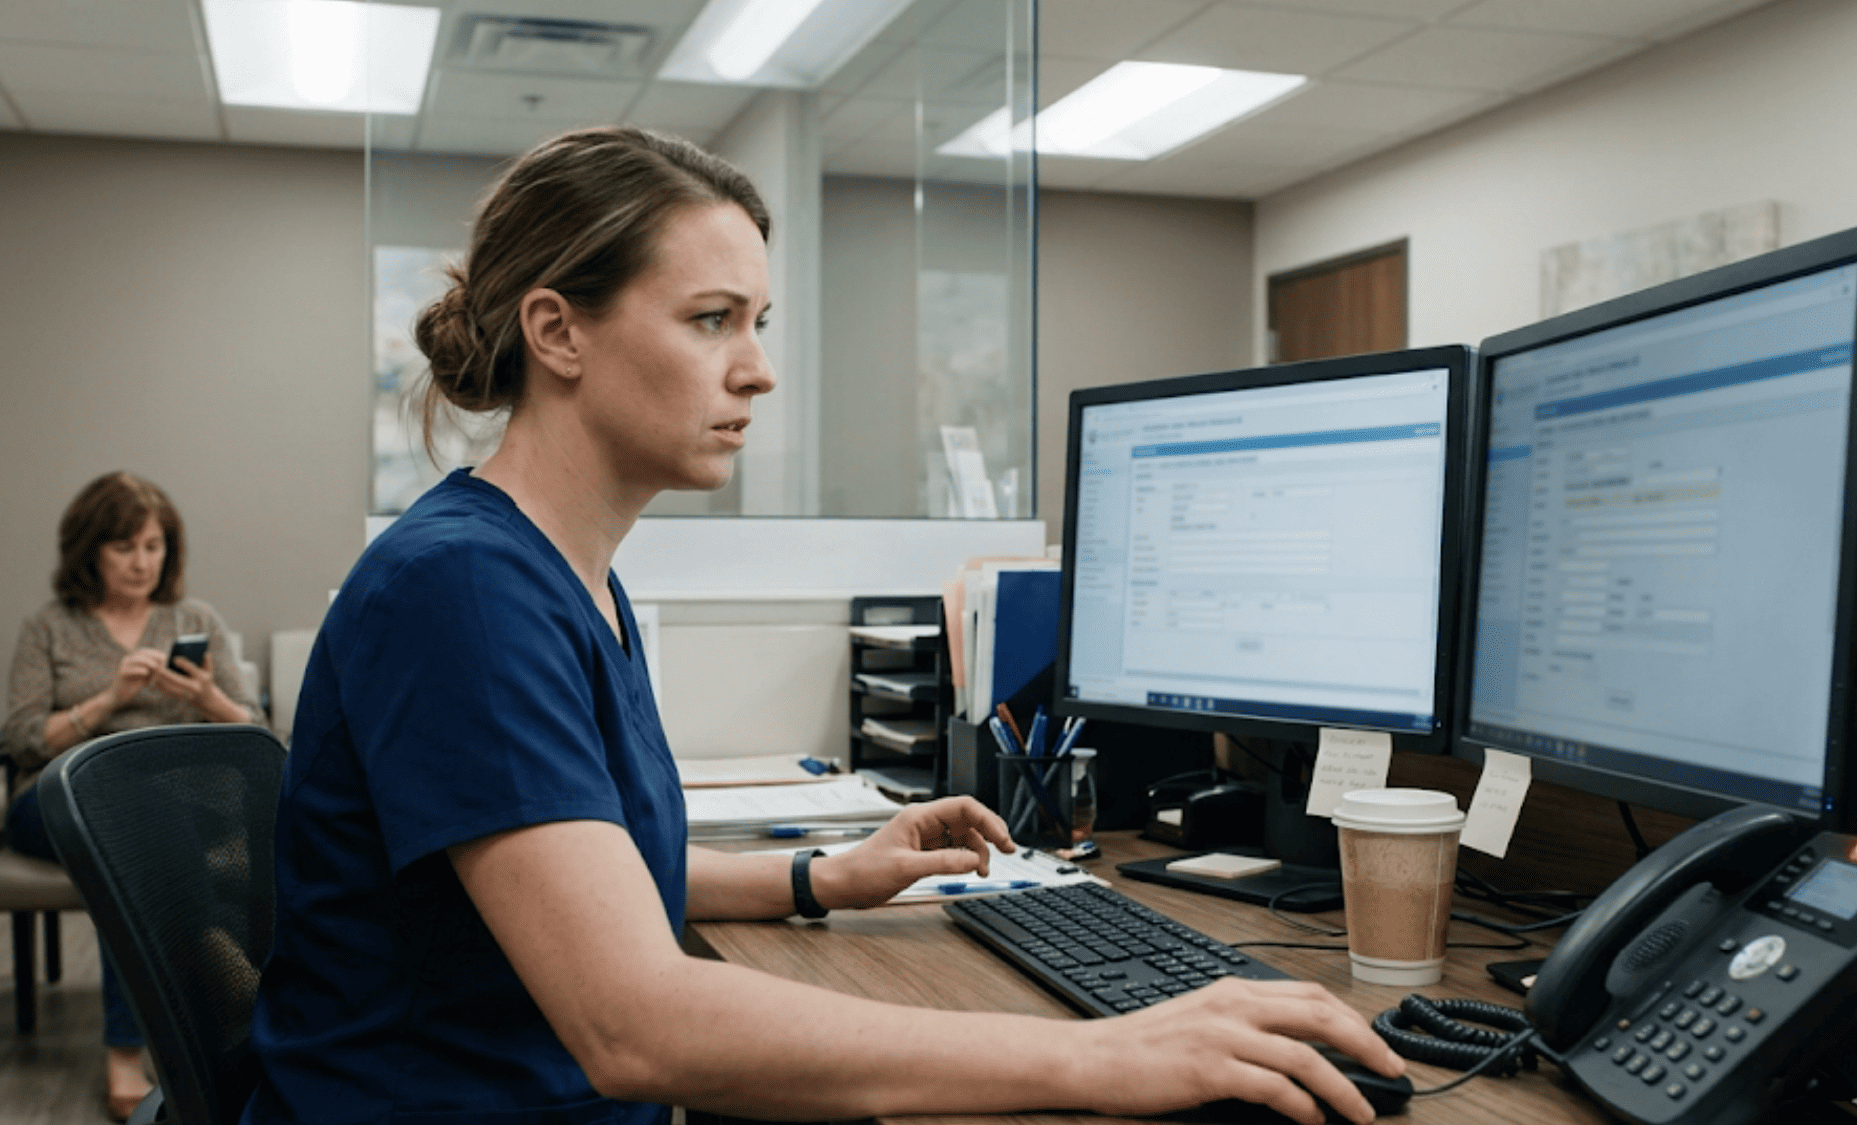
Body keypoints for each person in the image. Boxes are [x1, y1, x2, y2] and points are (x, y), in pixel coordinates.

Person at [243, 126, 1404, 1125]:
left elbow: (585, 876)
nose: (757, 372)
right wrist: (1104, 1053)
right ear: (558, 333)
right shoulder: (465, 594)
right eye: (710, 320)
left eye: (756, 321)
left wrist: (817, 879)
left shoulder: (557, 573)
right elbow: (632, 1022)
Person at [2, 470, 265, 1120]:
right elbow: (25, 740)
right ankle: (190, 995)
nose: (143, 561)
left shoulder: (194, 618)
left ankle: (164, 1025)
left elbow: (257, 734)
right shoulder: (50, 627)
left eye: (153, 545)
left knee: (158, 825)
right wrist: (109, 699)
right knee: (133, 821)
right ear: (89, 549)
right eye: (125, 547)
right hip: (60, 800)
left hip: (176, 806)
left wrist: (205, 698)